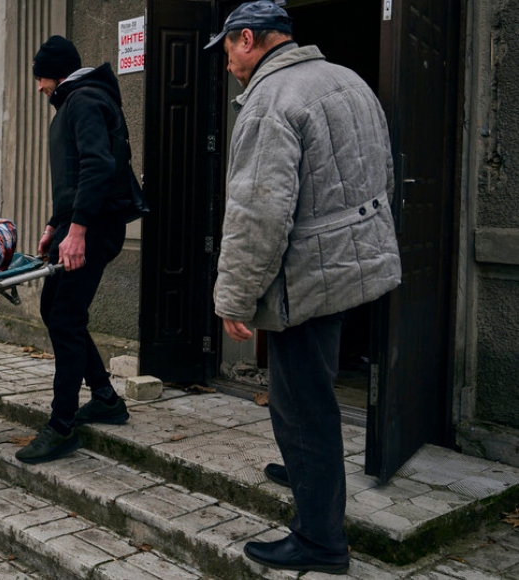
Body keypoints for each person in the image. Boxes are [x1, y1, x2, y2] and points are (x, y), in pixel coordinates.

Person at [207, 1, 401, 574]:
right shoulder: (347, 80)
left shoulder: (271, 101)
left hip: (307, 276)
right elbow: (381, 171)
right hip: (349, 265)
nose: (225, 65)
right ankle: (304, 468)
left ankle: (320, 541)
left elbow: (257, 214)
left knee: (301, 405)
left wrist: (234, 298)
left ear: (248, 39)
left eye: (226, 52)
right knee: (314, 386)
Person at [16, 36, 137, 464]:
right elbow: (73, 175)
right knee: (56, 310)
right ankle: (104, 397)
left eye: (41, 77)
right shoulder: (76, 100)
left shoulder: (83, 100)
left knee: (65, 317)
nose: (39, 87)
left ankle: (61, 425)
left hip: (95, 228)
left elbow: (98, 165)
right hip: (79, 225)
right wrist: (56, 223)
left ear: (58, 73)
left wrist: (79, 229)